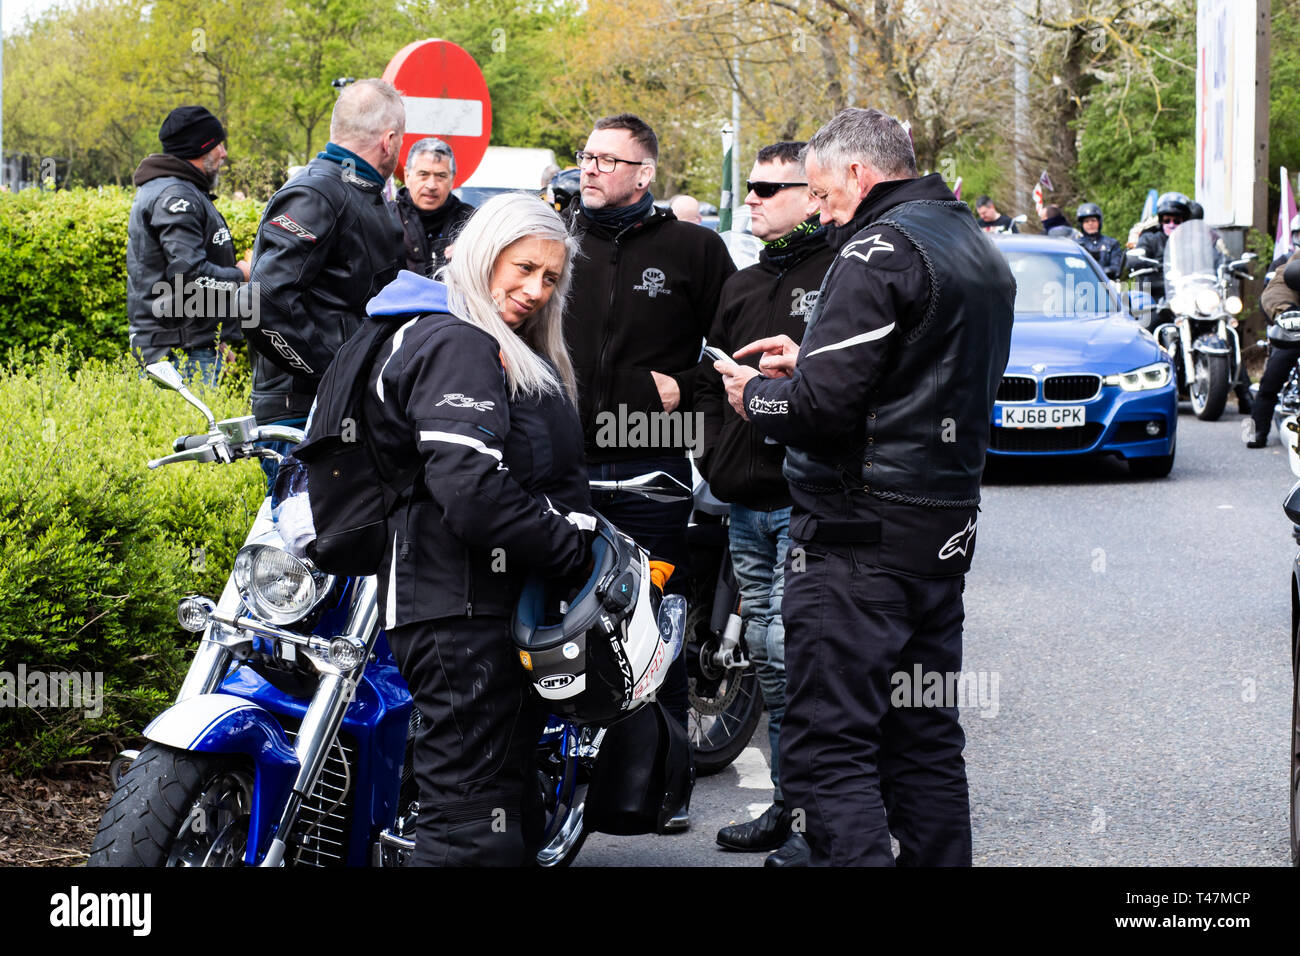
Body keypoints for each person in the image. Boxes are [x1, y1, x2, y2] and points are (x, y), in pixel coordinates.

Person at [715, 108, 1015, 866]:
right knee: (924, 740)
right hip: (939, 531)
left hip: (856, 539)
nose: (818, 211)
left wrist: (756, 394)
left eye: (820, 193)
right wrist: (811, 354)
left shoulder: (878, 249)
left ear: (858, 173)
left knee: (829, 748)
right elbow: (915, 372)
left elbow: (817, 412)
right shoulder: (977, 246)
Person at [355, 193, 595, 865]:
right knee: (467, 826)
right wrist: (574, 551)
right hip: (458, 611)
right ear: (484, 252)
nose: (534, 290)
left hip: (476, 608)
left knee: (498, 806)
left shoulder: (478, 339)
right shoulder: (456, 339)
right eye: (522, 268)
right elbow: (471, 494)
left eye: (550, 279)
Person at [566, 113, 736, 831]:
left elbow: (741, 352)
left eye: (609, 159)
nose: (593, 168)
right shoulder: (556, 241)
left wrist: (683, 388)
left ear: (645, 173)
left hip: (651, 469)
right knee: (558, 625)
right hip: (561, 465)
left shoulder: (694, 249)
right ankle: (559, 782)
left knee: (649, 631)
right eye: (587, 156)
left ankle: (664, 792)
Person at [698, 141, 834, 866]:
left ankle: (821, 817)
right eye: (747, 187)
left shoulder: (842, 274)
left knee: (795, 652)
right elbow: (710, 378)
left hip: (807, 502)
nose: (748, 198)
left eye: (765, 187)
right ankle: (789, 802)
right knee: (767, 658)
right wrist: (712, 459)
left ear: (811, 196)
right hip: (745, 502)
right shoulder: (741, 284)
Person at [240, 78, 406, 483]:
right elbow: (261, 305)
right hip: (302, 410)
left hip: (342, 405)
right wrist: (334, 372)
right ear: (389, 141)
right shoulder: (317, 193)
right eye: (402, 139)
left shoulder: (363, 192)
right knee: (303, 540)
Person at [127, 105, 249, 385]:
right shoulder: (175, 197)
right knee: (188, 430)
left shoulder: (181, 190)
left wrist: (212, 337)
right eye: (218, 144)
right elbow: (191, 277)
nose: (224, 153)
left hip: (190, 346)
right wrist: (242, 274)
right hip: (177, 354)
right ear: (200, 149)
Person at [391, 137, 475, 277]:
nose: (431, 185)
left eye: (441, 176)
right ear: (407, 176)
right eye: (423, 175)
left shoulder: (471, 223)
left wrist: (471, 258)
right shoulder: (385, 218)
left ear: (452, 179)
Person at [1245, 248, 1300, 448]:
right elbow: (1278, 288)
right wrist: (1286, 312)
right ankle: (1254, 431)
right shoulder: (1293, 259)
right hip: (1298, 327)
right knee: (1271, 381)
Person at [1075, 202, 1123, 280]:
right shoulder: (1076, 245)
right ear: (1081, 224)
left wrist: (1100, 271)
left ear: (1099, 222)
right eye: (1086, 221)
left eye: (1093, 220)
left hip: (1106, 284)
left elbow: (1117, 268)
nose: (1090, 224)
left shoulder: (1112, 244)